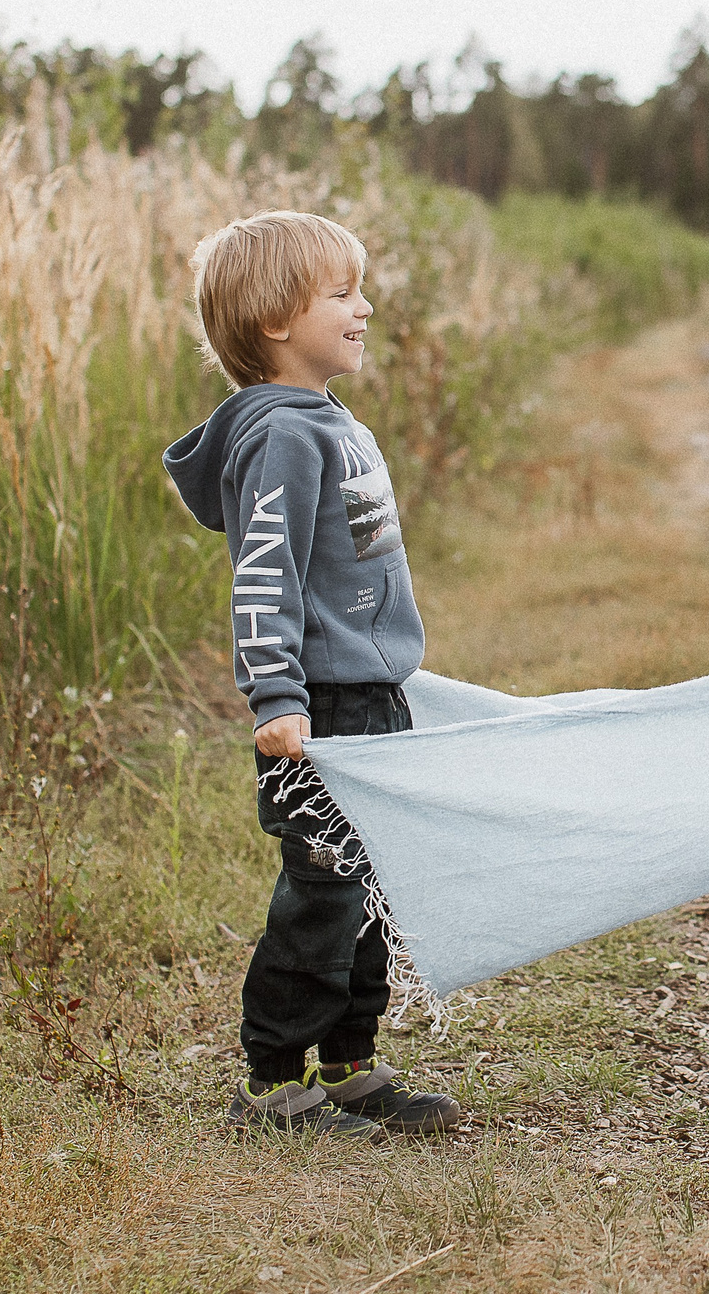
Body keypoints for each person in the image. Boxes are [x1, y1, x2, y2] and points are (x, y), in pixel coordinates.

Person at [163, 210, 463, 1138]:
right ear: (274, 320)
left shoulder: (332, 421)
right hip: (319, 710)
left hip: (369, 700)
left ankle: (349, 1061)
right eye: (342, 293)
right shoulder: (283, 438)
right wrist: (279, 698)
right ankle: (271, 1076)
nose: (365, 306)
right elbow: (265, 575)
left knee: (374, 887)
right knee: (325, 887)